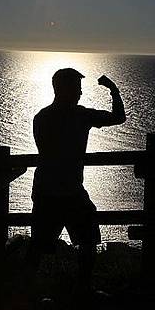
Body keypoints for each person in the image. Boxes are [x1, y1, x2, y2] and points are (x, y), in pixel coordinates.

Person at [28, 67, 126, 294]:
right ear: (65, 89)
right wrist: (113, 89)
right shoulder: (81, 116)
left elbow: (48, 152)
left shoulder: (41, 117)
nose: (80, 93)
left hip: (45, 190)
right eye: (77, 88)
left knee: (38, 246)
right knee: (88, 241)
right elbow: (119, 117)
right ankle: (83, 290)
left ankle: (26, 293)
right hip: (70, 191)